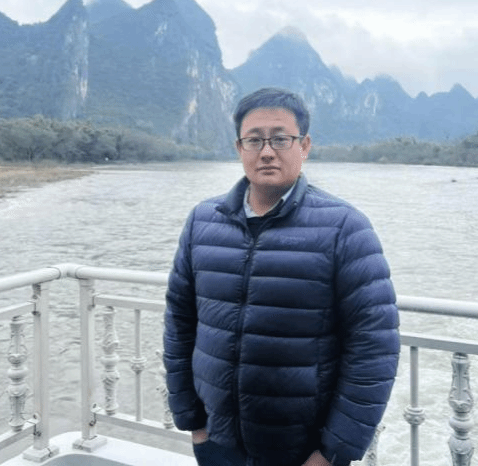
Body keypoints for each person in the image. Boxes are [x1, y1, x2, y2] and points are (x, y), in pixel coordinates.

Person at [163, 87, 400, 466]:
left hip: (301, 451)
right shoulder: (203, 222)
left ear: (304, 146)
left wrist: (332, 452)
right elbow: (179, 321)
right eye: (254, 139)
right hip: (216, 442)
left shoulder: (345, 228)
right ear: (239, 148)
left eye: (280, 139)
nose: (267, 151)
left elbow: (374, 348)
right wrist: (193, 421)